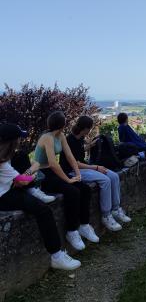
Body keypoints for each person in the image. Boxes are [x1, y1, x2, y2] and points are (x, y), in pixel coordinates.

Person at [0, 123, 81, 270]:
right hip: (3, 197)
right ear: (12, 142)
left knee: (22, 156)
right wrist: (33, 172)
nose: (21, 140)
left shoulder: (6, 157)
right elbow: (22, 181)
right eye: (19, 138)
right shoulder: (2, 163)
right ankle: (57, 256)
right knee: (43, 210)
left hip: (7, 188)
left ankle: (33, 191)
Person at [35, 111, 99, 251]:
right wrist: (68, 180)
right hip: (43, 175)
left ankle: (84, 225)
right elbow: (53, 163)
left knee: (85, 189)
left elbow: (70, 157)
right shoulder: (47, 138)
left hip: (53, 172)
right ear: (63, 124)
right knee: (72, 191)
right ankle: (72, 231)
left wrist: (77, 173)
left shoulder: (61, 135)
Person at [60, 116, 131, 232]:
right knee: (105, 180)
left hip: (83, 167)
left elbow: (79, 152)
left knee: (114, 176)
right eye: (90, 128)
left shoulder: (80, 138)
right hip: (72, 171)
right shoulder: (70, 140)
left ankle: (116, 209)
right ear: (85, 128)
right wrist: (96, 167)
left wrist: (90, 145)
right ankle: (106, 215)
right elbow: (75, 163)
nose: (90, 130)